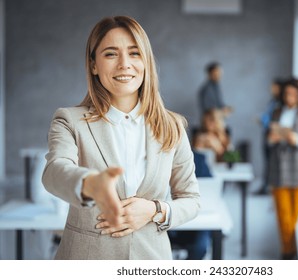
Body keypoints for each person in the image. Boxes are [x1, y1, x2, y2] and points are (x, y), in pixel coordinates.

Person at [42, 16, 200, 260]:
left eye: (134, 53)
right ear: (93, 64)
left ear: (146, 61)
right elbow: (54, 172)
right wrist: (89, 183)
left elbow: (191, 200)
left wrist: (155, 210)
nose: (124, 64)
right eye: (111, 54)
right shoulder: (69, 120)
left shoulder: (172, 126)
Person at [267, 78, 298, 260]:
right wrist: (273, 138)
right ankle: (288, 253)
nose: (290, 97)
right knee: (283, 216)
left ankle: (290, 252)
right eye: (287, 93)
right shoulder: (277, 111)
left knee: (294, 217)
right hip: (278, 166)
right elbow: (269, 137)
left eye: (294, 94)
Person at [253, 78, 284, 195]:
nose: (272, 89)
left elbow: (273, 120)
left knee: (271, 163)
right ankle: (265, 186)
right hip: (267, 133)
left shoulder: (280, 104)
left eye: (274, 87)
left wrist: (265, 120)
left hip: (274, 134)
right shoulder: (272, 101)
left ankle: (269, 188)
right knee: (267, 162)